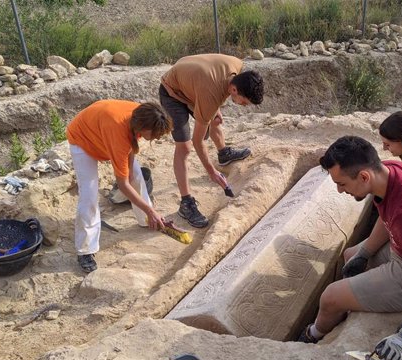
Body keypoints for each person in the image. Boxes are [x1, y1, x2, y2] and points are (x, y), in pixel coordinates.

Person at [298, 136, 402, 360]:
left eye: (342, 184)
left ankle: (312, 336)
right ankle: (350, 303)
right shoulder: (390, 171)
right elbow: (387, 217)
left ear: (364, 176)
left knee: (330, 298)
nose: (340, 191)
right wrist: (364, 253)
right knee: (351, 255)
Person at [66, 100, 173, 273]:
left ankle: (147, 220)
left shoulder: (142, 114)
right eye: (155, 134)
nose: (158, 137)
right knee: (89, 194)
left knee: (136, 176)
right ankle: (85, 250)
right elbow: (122, 184)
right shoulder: (118, 131)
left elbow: (131, 144)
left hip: (102, 130)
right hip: (82, 138)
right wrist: (151, 210)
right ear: (144, 127)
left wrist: (130, 171)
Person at [159, 54, 264, 228]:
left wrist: (213, 110)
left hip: (192, 82)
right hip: (173, 92)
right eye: (244, 103)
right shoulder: (210, 93)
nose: (243, 106)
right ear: (234, 90)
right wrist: (212, 172)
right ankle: (186, 203)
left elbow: (213, 93)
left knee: (214, 118)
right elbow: (198, 141)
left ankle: (223, 154)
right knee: (184, 148)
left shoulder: (235, 65)